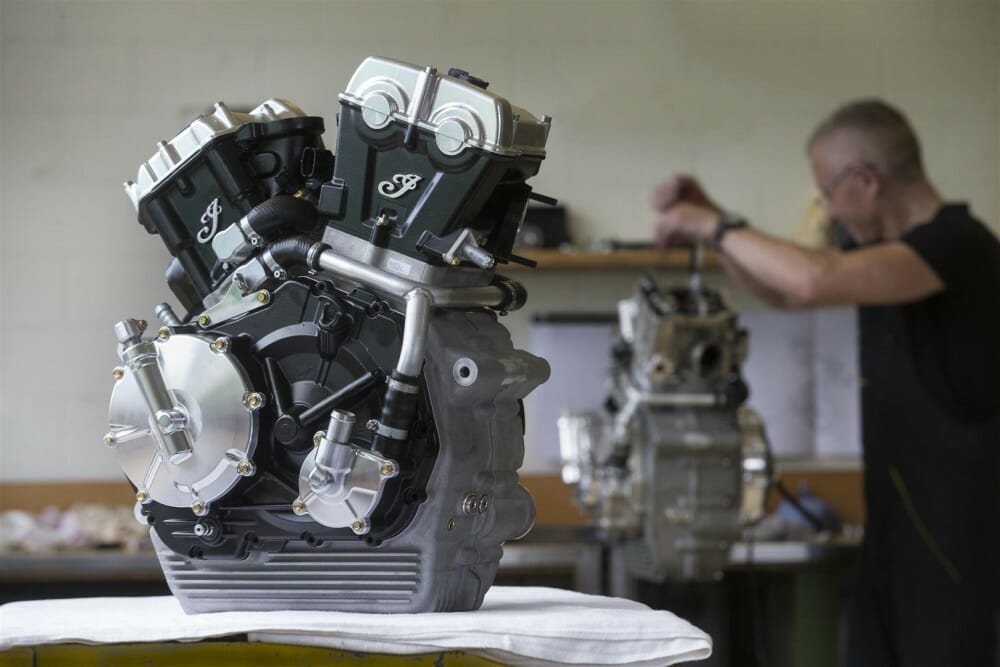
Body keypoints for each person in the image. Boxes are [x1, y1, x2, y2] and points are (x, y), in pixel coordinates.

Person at [651, 99, 1000, 667]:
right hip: (892, 544)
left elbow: (814, 280)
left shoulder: (959, 245)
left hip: (960, 553)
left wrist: (715, 225)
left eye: (828, 194)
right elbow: (784, 293)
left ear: (865, 180)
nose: (830, 212)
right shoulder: (883, 257)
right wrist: (715, 224)